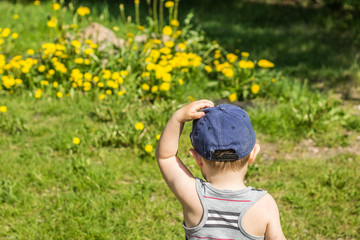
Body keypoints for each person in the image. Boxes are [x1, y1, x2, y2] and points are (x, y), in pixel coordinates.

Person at [156, 99, 286, 240]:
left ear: (197, 158)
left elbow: (166, 157)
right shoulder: (264, 204)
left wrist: (177, 118)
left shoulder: (193, 196)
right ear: (253, 153)